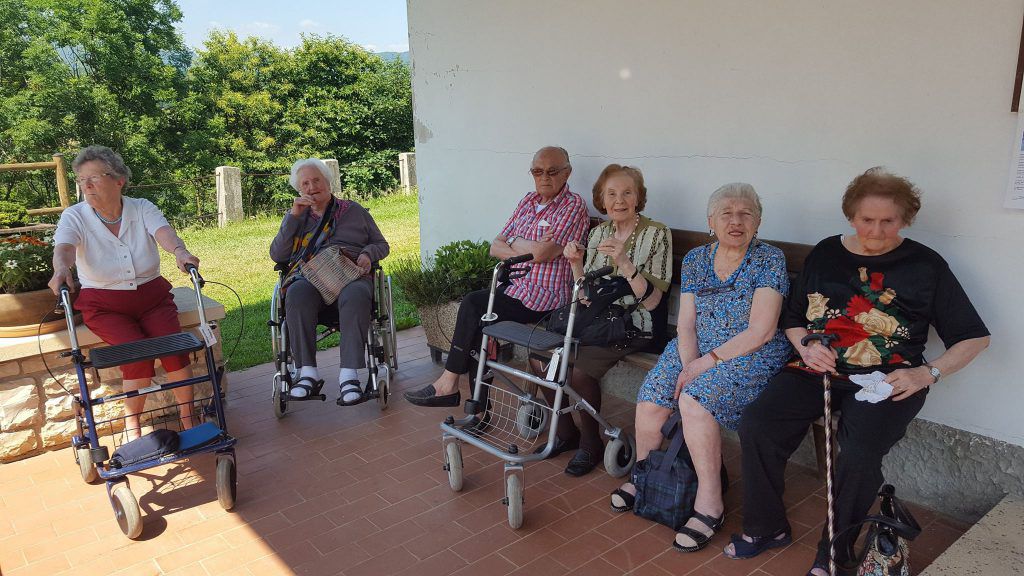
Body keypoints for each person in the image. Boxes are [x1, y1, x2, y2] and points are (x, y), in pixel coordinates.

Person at [724, 168, 990, 576]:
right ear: (851, 216)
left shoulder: (926, 265)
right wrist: (806, 345)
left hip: (889, 379)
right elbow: (794, 317)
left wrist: (926, 374)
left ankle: (833, 552)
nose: (877, 230)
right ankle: (765, 527)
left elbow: (974, 337)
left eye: (889, 221)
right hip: (816, 368)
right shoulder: (827, 252)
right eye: (868, 220)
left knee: (860, 454)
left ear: (905, 219)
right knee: (759, 423)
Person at [609, 183, 793, 553]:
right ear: (711, 221)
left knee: (695, 400)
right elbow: (687, 324)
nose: (736, 221)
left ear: (758, 222)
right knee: (651, 400)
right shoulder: (695, 259)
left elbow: (763, 329)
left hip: (750, 352)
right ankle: (645, 477)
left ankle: (709, 504)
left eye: (746, 214)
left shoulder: (769, 259)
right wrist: (690, 363)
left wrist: (703, 367)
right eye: (727, 214)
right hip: (696, 346)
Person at [404, 146, 590, 407]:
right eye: (537, 171)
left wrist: (520, 246)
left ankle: (450, 383)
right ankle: (479, 409)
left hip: (543, 298)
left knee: (474, 304)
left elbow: (543, 253)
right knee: (480, 323)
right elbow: (496, 245)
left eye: (552, 171)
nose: (544, 177)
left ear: (567, 173)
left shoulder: (573, 205)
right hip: (515, 288)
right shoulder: (528, 201)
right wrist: (526, 244)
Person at [49, 145, 201, 440]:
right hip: (105, 306)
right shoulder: (75, 216)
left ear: (119, 180)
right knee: (137, 354)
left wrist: (181, 252)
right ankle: (134, 425)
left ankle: (188, 416)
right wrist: (61, 270)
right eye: (81, 180)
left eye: (94, 177)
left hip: (152, 298)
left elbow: (164, 233)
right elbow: (64, 248)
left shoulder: (142, 207)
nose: (87, 185)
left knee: (174, 351)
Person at [532, 164, 672, 477]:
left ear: (638, 198)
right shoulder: (598, 233)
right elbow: (585, 297)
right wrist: (576, 264)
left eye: (627, 193)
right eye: (611, 194)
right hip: (597, 320)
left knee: (579, 373)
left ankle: (590, 442)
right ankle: (566, 433)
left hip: (635, 323)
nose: (619, 200)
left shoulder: (656, 233)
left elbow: (652, 301)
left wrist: (623, 261)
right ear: (602, 199)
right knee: (540, 359)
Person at [270, 158, 390, 406]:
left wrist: (368, 254)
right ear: (299, 189)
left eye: (317, 180)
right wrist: (293, 218)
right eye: (306, 183)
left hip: (350, 273)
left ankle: (349, 376)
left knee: (356, 295)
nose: (312, 187)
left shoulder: (353, 211)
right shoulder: (296, 217)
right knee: (296, 294)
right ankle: (307, 373)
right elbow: (278, 256)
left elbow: (382, 244)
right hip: (311, 277)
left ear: (328, 182)